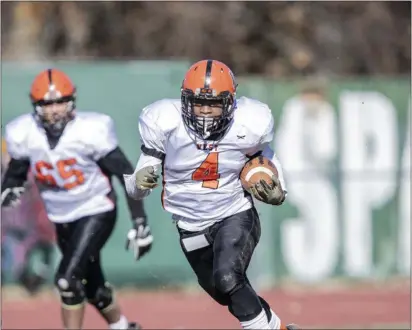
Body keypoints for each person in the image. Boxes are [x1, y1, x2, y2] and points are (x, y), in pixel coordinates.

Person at [123, 59, 299, 330]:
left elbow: (266, 156)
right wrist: (139, 182)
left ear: (230, 103)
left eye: (214, 104)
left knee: (228, 278)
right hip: (189, 225)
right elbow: (135, 189)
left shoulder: (249, 124)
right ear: (184, 101)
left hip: (233, 213)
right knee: (225, 292)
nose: (205, 112)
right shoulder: (163, 122)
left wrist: (280, 189)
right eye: (199, 103)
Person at [1, 68, 153, 330]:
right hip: (62, 217)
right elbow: (15, 173)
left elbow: (126, 175)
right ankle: (124, 327)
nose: (54, 109)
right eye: (47, 103)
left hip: (96, 210)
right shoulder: (24, 133)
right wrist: (9, 189)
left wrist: (140, 221)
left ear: (71, 101)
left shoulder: (90, 130)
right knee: (91, 285)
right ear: (36, 106)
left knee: (67, 279)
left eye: (59, 101)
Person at [1, 137, 55, 295]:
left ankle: (32, 286)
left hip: (29, 228)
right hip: (6, 229)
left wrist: (44, 225)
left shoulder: (31, 177)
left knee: (38, 259)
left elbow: (40, 202)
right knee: (11, 262)